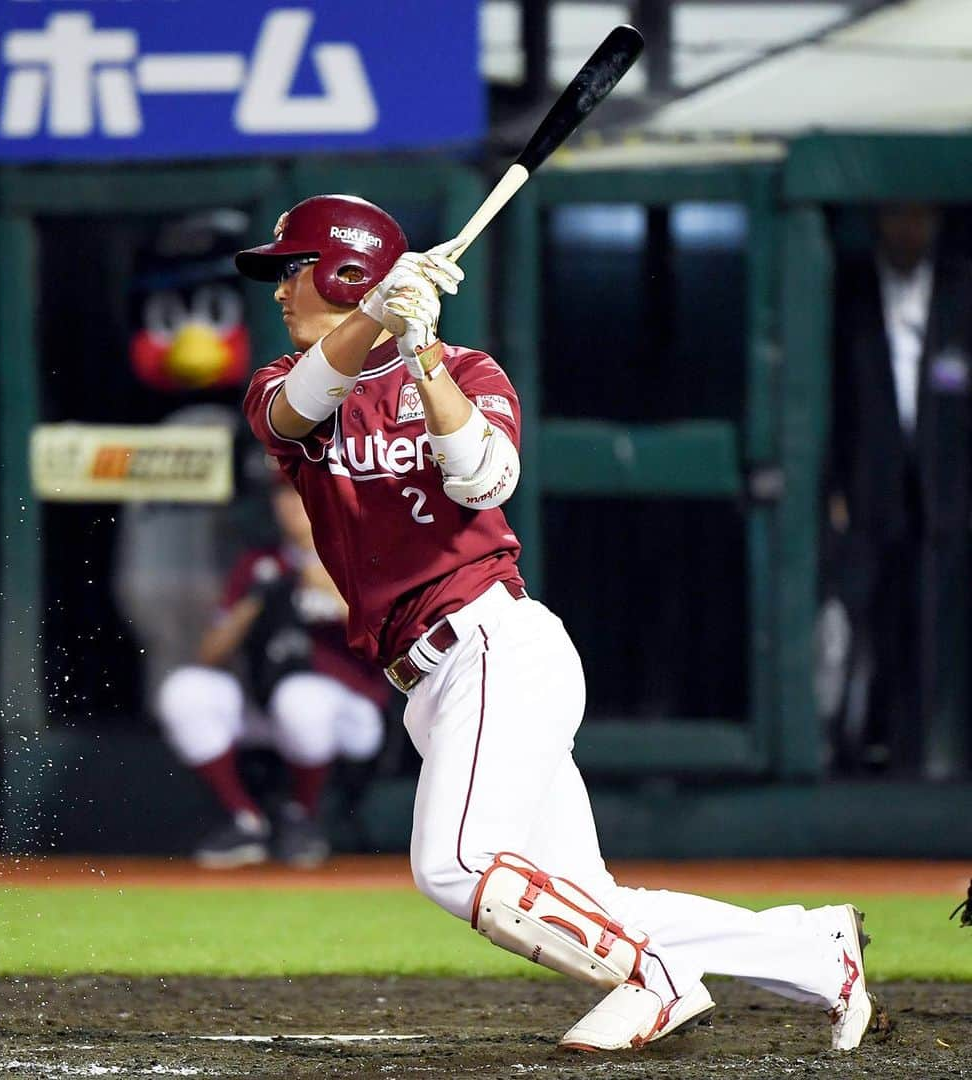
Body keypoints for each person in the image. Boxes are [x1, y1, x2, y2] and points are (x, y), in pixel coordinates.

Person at [237, 193, 874, 1051]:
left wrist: (418, 348)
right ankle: (813, 948)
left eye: (294, 270)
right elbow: (297, 410)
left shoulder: (469, 372)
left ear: (347, 274)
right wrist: (380, 316)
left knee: (456, 866)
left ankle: (654, 981)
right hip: (429, 680)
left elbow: (483, 482)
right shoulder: (282, 385)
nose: (279, 291)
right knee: (590, 899)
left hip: (495, 645)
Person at [155, 473, 389, 868]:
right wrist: (250, 607)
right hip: (274, 704)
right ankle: (245, 821)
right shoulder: (261, 565)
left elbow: (394, 644)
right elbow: (209, 654)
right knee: (185, 691)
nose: (292, 505)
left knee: (300, 699)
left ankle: (303, 817)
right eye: (284, 494)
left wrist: (334, 595)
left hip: (353, 715)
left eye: (302, 493)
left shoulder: (360, 558)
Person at [828, 204, 972, 778]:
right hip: (871, 500)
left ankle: (941, 758)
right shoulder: (851, 295)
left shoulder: (962, 291)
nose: (908, 229)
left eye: (920, 217)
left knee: (941, 629)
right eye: (897, 216)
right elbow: (832, 404)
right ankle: (863, 754)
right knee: (869, 631)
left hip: (949, 502)